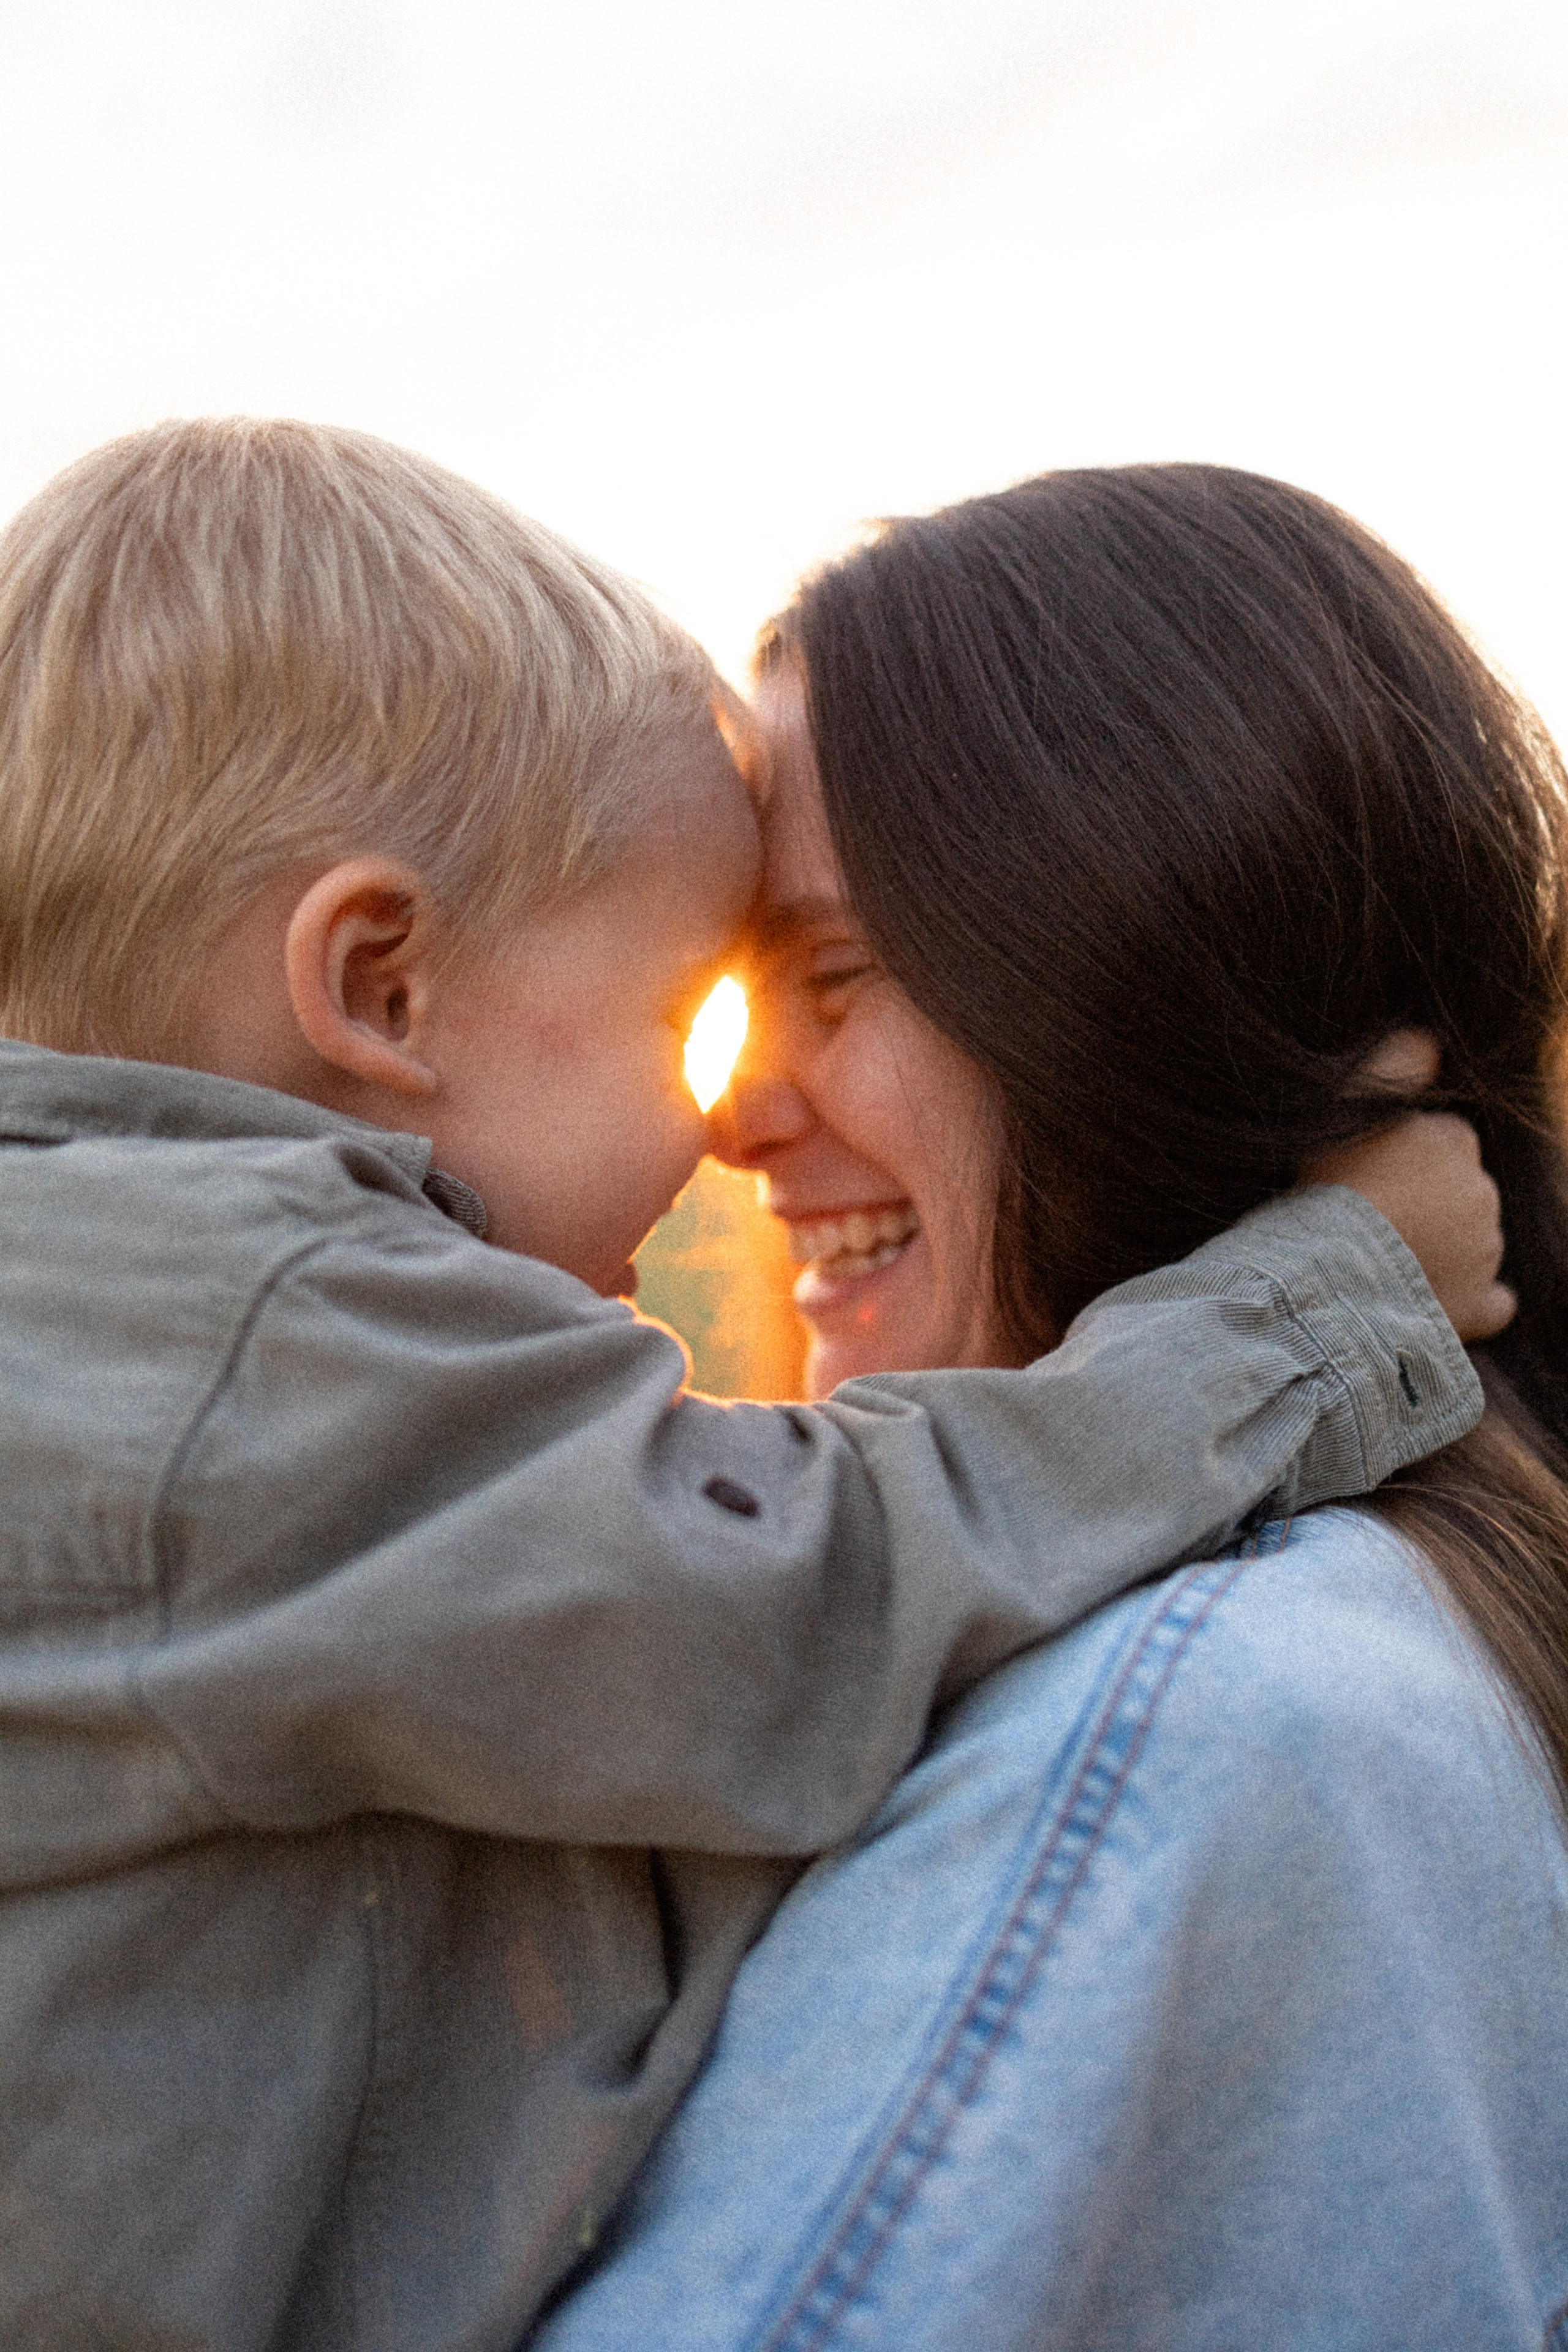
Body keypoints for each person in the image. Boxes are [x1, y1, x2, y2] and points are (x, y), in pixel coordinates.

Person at [0, 425, 1496, 2352]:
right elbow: (799, 1592)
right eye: (684, 1007)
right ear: (377, 987)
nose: (729, 1121)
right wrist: (1315, 1306)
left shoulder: (1231, 1720)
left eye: (839, 979)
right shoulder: (244, 1336)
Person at [530, 466, 1568, 2352]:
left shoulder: (1187, 1725)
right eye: (739, 1003)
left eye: (834, 978)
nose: (735, 1120)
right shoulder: (1424, 1623)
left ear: (1152, 982)